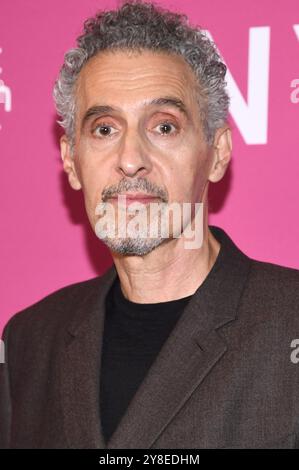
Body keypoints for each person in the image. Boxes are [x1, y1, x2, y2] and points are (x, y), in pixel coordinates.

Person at [0, 0, 298, 449]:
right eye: (104, 129)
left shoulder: (289, 319)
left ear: (216, 154)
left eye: (163, 127)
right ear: (71, 161)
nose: (131, 159)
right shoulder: (28, 341)